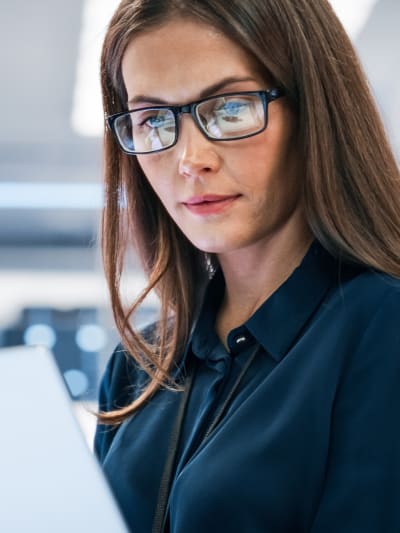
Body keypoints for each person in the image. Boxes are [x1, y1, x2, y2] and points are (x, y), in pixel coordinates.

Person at [94, 1, 400, 532]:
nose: (190, 159)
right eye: (152, 119)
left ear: (314, 111)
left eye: (229, 109)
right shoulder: (139, 366)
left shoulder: (382, 329)